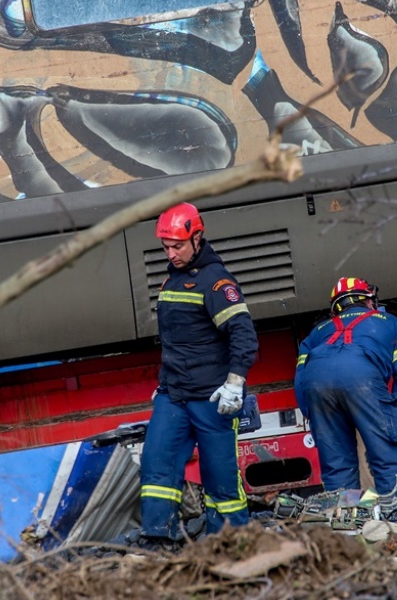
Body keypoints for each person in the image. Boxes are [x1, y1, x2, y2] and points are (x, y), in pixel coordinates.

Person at [140, 202, 258, 545]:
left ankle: (231, 538)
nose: (171, 253)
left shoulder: (217, 283)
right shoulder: (172, 280)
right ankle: (158, 538)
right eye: (166, 247)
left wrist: (235, 382)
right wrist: (163, 383)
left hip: (212, 396)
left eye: (177, 246)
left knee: (220, 473)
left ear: (197, 238)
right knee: (157, 463)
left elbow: (243, 334)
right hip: (174, 394)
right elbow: (176, 341)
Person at [293, 277, 397, 501]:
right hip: (361, 377)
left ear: (336, 308)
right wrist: (393, 413)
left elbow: (301, 381)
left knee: (337, 466)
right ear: (369, 300)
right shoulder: (389, 322)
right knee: (390, 459)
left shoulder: (316, 333)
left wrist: (314, 415)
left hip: (317, 385)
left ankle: (347, 527)